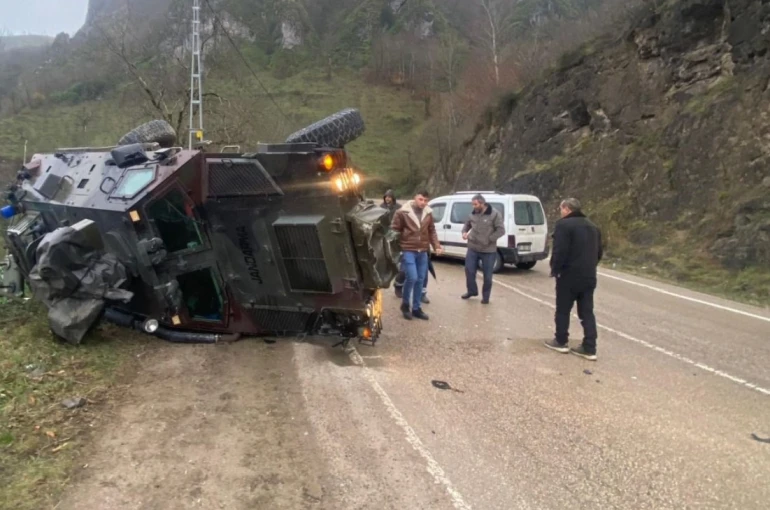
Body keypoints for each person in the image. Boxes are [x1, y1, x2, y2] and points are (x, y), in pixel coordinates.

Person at [544, 198, 603, 361]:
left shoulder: (563, 225)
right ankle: (590, 347)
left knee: (563, 309)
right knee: (587, 312)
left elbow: (560, 250)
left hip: (568, 275)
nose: (560, 212)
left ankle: (561, 340)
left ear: (567, 209)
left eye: (561, 209)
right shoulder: (593, 226)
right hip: (588, 275)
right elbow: (599, 252)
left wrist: (555, 269)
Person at [390, 190, 443, 320]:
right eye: (421, 199)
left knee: (420, 279)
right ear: (415, 198)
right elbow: (394, 231)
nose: (423, 202)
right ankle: (405, 305)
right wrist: (396, 249)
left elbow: (431, 230)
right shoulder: (402, 212)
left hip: (422, 251)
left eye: (426, 200)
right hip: (408, 249)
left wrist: (436, 245)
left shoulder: (428, 213)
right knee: (412, 277)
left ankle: (416, 308)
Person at [460, 194, 505, 304]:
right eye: (472, 204)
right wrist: (464, 232)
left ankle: (486, 297)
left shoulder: (494, 214)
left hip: (488, 250)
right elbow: (467, 225)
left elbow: (501, 230)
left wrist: (489, 239)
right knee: (469, 271)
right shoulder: (473, 213)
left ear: (482, 203)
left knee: (487, 276)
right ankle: (472, 291)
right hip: (473, 247)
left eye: (475, 204)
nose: (473, 207)